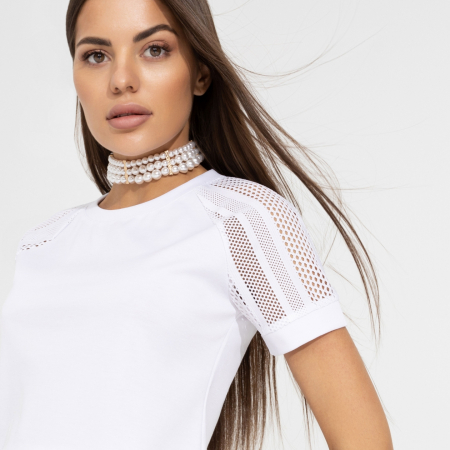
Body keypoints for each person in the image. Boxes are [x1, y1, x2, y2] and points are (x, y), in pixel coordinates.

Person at [0, 0, 394, 449]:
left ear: (201, 74)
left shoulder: (244, 221)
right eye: (96, 55)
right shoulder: (44, 243)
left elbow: (365, 440)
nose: (121, 79)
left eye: (154, 49)